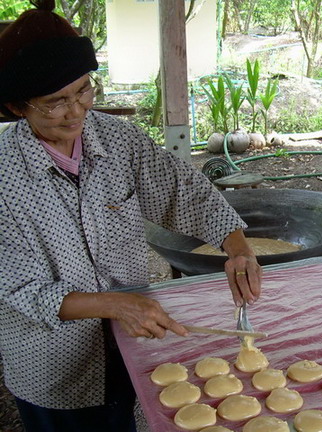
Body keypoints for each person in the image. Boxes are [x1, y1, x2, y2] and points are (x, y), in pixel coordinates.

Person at [0, 1, 262, 430]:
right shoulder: (5, 177)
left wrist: (237, 247)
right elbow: (20, 288)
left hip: (125, 342)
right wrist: (115, 304)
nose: (76, 111)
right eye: (55, 102)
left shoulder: (116, 139)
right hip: (52, 362)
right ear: (17, 107)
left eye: (84, 90)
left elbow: (183, 190)